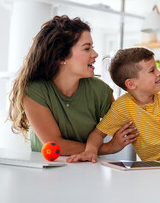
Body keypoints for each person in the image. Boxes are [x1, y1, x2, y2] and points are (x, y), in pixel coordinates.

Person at [67, 47, 160, 171]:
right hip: (159, 170)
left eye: (157, 68)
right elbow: (97, 134)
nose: (159, 73)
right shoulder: (123, 107)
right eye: (152, 70)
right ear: (132, 84)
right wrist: (90, 151)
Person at [8, 15, 136, 156]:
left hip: (88, 169)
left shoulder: (99, 90)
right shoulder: (35, 91)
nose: (95, 54)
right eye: (87, 49)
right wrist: (107, 148)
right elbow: (55, 144)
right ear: (61, 56)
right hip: (46, 171)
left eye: (92, 47)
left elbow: (128, 123)